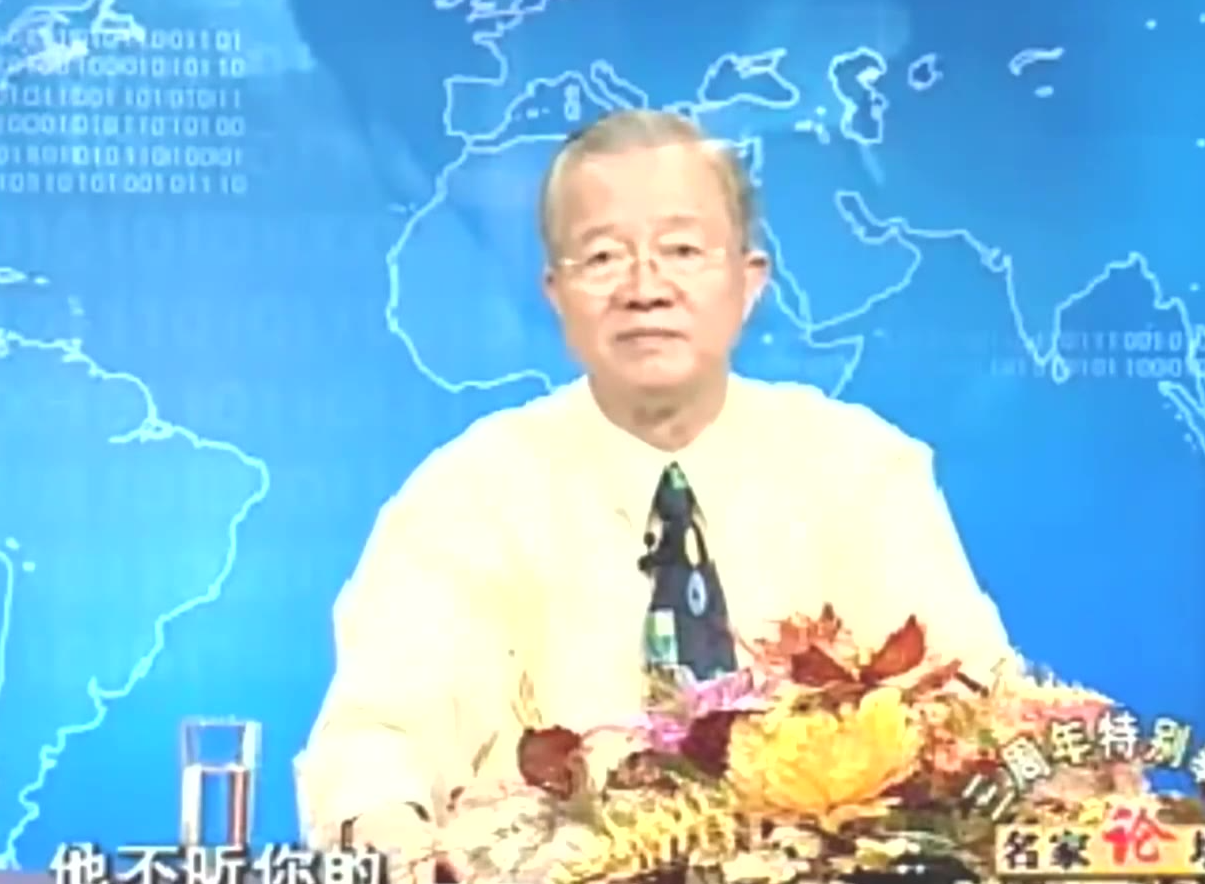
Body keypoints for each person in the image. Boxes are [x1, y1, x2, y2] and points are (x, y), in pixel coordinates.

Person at [295, 109, 1014, 881]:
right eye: (603, 256)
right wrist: (403, 853)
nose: (645, 288)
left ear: (749, 282)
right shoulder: (467, 496)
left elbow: (983, 715)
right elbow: (375, 747)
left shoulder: (863, 471)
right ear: (556, 293)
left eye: (682, 251)